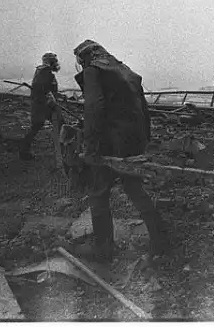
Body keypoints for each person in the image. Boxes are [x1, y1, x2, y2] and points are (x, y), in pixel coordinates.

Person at [71, 39, 168, 263]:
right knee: (134, 187)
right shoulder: (125, 70)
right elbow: (144, 109)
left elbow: (93, 108)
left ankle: (103, 250)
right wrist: (144, 141)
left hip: (110, 143)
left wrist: (91, 147)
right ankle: (160, 240)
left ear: (85, 57)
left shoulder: (93, 71)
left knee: (98, 191)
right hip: (132, 141)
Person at [19, 52, 65, 163]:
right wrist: (51, 100)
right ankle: (63, 152)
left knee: (57, 124)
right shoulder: (46, 72)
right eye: (55, 61)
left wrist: (59, 95)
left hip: (42, 104)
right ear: (51, 62)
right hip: (44, 105)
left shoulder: (41, 71)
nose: (56, 63)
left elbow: (47, 89)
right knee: (57, 125)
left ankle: (24, 150)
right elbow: (43, 90)